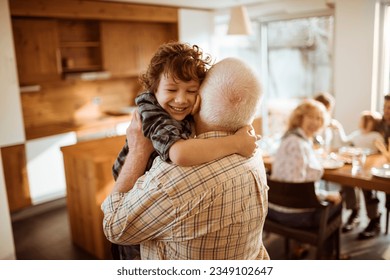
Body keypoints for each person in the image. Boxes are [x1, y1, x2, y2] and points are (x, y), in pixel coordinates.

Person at [101, 57, 269, 260]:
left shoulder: (171, 180)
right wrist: (236, 143)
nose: (181, 100)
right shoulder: (252, 152)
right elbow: (180, 152)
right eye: (172, 90)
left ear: (197, 101)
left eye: (191, 91)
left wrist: (138, 152)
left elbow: (114, 229)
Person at [269, 99, 342, 258]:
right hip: (292, 215)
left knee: (326, 197)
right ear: (300, 117)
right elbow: (296, 185)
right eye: (311, 117)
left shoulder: (290, 139)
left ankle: (299, 244)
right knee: (338, 201)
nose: (315, 122)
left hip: (274, 209)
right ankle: (329, 257)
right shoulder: (298, 144)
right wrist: (325, 195)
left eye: (319, 118)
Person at [341, 111, 384, 236]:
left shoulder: (376, 136)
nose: (363, 122)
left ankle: (374, 219)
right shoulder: (356, 135)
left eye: (367, 120)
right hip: (355, 166)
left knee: (367, 188)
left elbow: (382, 153)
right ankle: (354, 212)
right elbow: (345, 143)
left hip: (370, 169)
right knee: (347, 183)